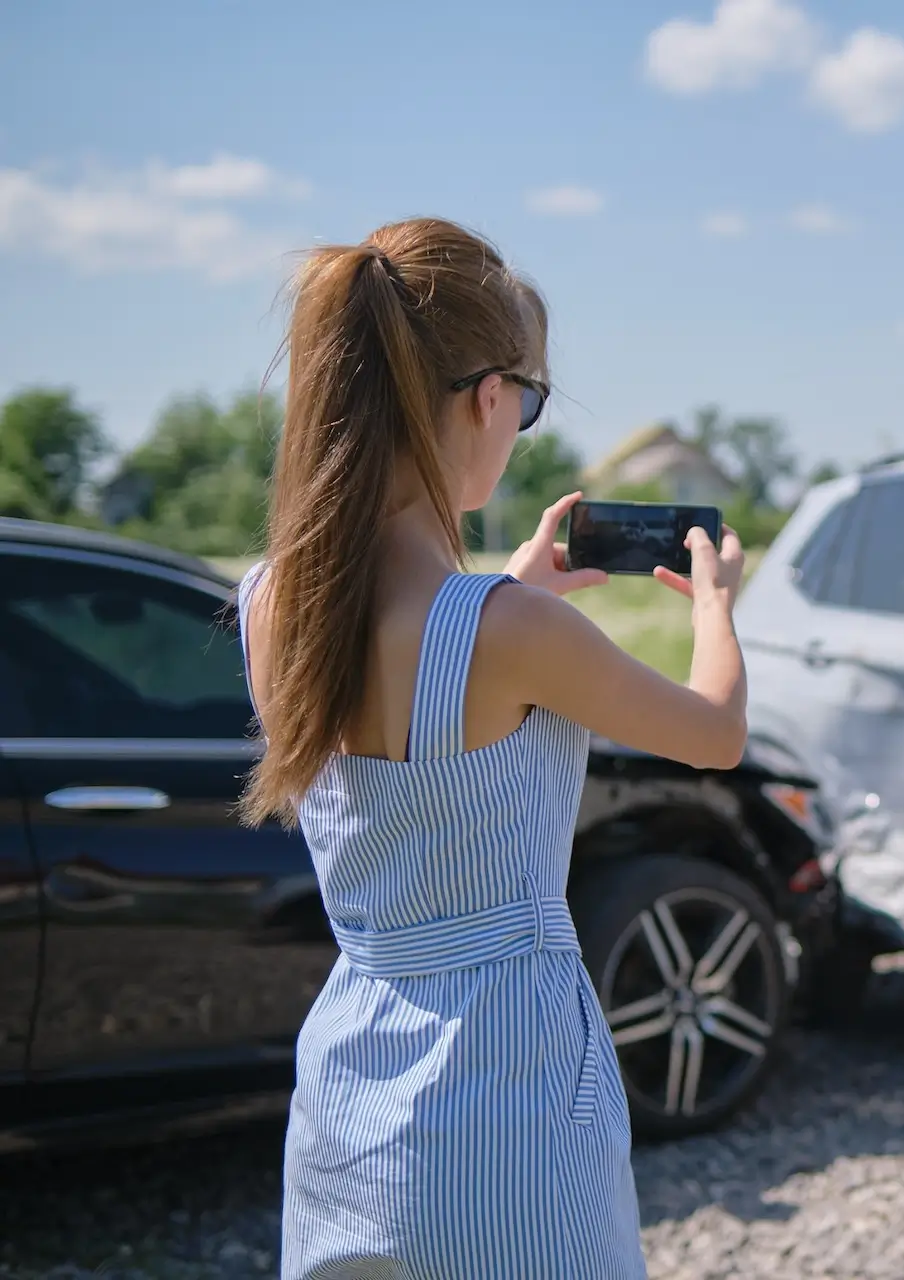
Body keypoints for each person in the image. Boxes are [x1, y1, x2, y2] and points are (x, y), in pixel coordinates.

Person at [236, 217, 747, 1278]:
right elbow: (716, 731)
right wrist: (715, 604)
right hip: (503, 1108)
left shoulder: (268, 601)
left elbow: (414, 657)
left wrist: (506, 598)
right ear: (487, 394)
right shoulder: (509, 632)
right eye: (531, 397)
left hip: (347, 1105)